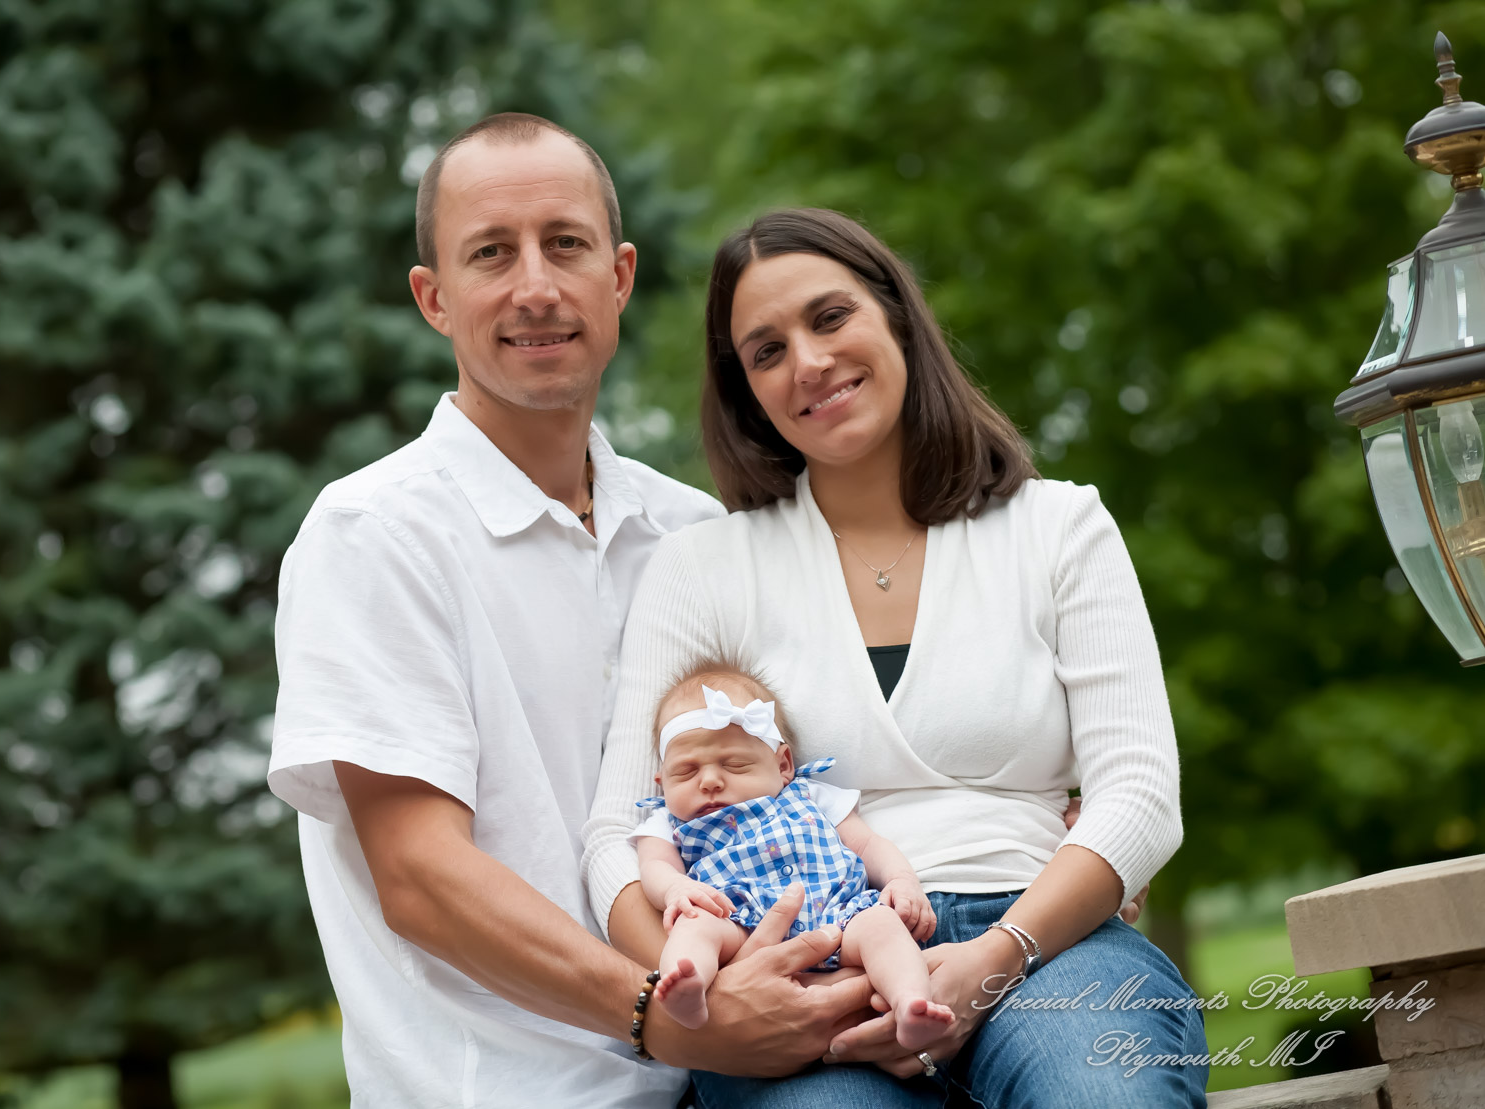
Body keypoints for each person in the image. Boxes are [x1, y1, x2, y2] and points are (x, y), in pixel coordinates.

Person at [266, 117, 878, 1108]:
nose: (536, 286)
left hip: (740, 1078)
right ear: (435, 298)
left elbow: (813, 762)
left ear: (620, 276)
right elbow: (420, 874)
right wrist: (672, 1012)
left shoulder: (695, 533)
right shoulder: (372, 534)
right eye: (491, 253)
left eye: (566, 243)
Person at [582, 207, 1210, 1107]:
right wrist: (713, 1002)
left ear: (896, 317)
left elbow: (1141, 795)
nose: (808, 362)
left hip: (1042, 942)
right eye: (765, 351)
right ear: (746, 391)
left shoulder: (1059, 528)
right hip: (807, 972)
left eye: (830, 318)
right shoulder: (703, 570)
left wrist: (995, 959)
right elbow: (617, 833)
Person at [634, 661, 955, 1050]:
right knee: (693, 925)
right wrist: (675, 890)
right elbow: (654, 866)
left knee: (883, 924)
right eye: (685, 772)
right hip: (739, 921)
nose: (710, 781)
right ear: (661, 782)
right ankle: (690, 989)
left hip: (840, 915)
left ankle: (911, 1003)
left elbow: (868, 845)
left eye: (735, 764)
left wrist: (902, 880)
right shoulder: (665, 822)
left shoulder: (811, 794)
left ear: (783, 765)